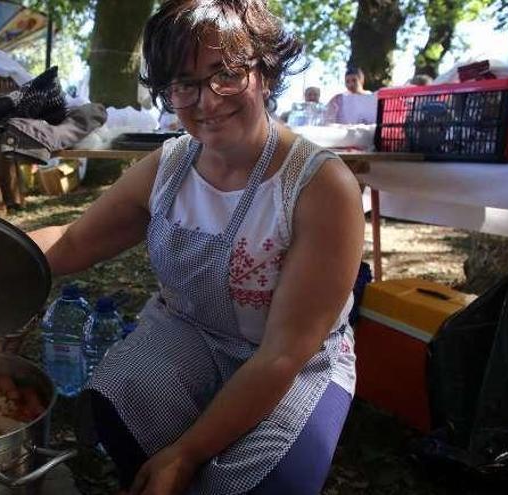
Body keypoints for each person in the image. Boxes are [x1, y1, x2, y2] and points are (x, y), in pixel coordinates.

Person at [29, 1, 363, 493]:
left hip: (290, 361)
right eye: (184, 83)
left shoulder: (319, 186)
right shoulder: (168, 167)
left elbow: (281, 355)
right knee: (118, 403)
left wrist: (186, 452)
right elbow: (75, 240)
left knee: (268, 485)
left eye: (225, 74)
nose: (207, 101)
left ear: (265, 72)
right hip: (189, 335)